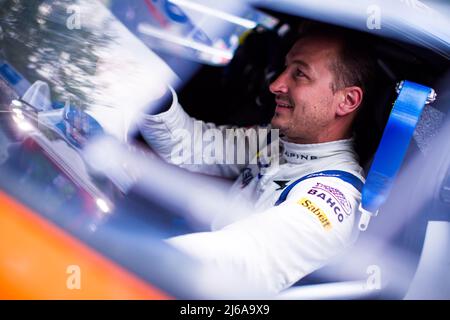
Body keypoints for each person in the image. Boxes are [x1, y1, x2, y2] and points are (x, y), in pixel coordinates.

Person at [140, 26, 377, 295]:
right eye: (285, 68)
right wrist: (151, 91)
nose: (276, 84)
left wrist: (122, 253)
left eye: (299, 74)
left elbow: (236, 261)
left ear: (347, 101)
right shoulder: (277, 141)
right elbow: (189, 145)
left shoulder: (332, 199)